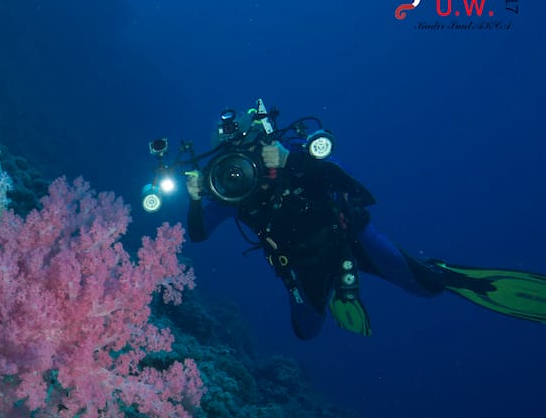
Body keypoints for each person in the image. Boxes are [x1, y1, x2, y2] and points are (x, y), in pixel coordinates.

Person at [177, 100, 546, 339]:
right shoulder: (228, 190)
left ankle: (444, 273)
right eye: (231, 153)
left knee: (425, 286)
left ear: (259, 136)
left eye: (248, 144)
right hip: (299, 262)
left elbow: (348, 179)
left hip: (350, 236)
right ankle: (340, 286)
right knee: (306, 330)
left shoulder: (287, 152)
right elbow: (199, 234)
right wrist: (195, 201)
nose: (241, 162)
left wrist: (295, 162)